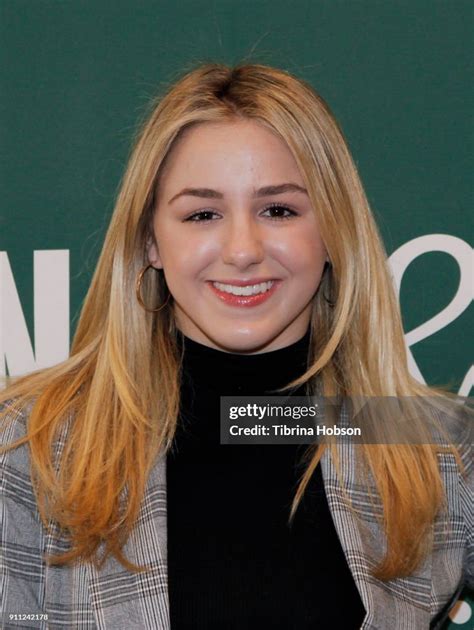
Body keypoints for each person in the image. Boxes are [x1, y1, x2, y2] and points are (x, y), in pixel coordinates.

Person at [0, 62, 472, 630]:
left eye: (278, 210)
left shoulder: (425, 439)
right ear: (151, 239)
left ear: (333, 231)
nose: (243, 249)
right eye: (203, 214)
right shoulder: (29, 443)